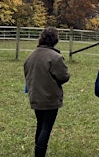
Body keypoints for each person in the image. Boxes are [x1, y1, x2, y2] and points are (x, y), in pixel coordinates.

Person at [24, 27, 71, 157]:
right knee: (46, 127)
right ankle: (40, 153)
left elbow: (27, 73)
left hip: (35, 96)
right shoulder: (55, 57)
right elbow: (64, 76)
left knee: (40, 124)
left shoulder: (31, 55)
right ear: (55, 40)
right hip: (50, 98)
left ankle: (37, 151)